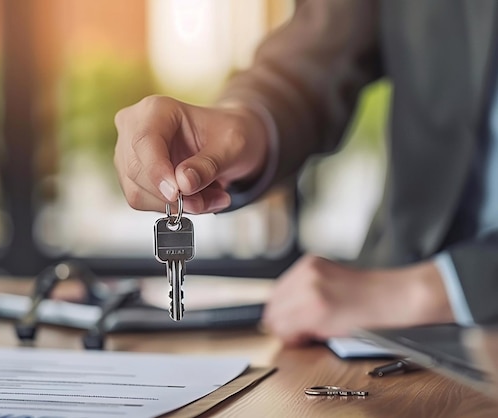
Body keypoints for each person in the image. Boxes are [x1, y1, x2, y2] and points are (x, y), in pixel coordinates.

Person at [113, 0, 498, 346]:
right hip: (385, 319)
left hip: (394, 301)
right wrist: (245, 123)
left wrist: (437, 290)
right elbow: (318, 53)